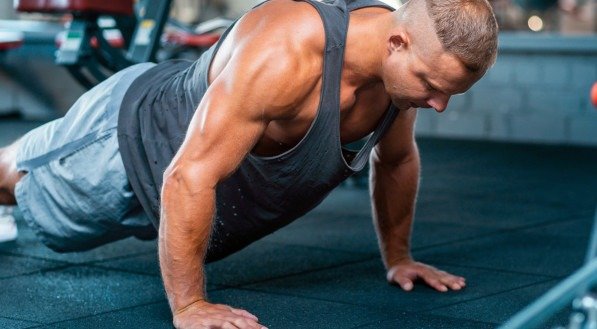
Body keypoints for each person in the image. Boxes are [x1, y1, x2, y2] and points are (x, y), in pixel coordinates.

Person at [0, 0, 498, 327]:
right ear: (397, 44)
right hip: (125, 146)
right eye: (431, 87)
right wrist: (190, 305)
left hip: (177, 195)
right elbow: (189, 173)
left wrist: (399, 258)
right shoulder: (287, 51)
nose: (438, 105)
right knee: (13, 186)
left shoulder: (399, 82)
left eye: (448, 93)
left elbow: (396, 160)